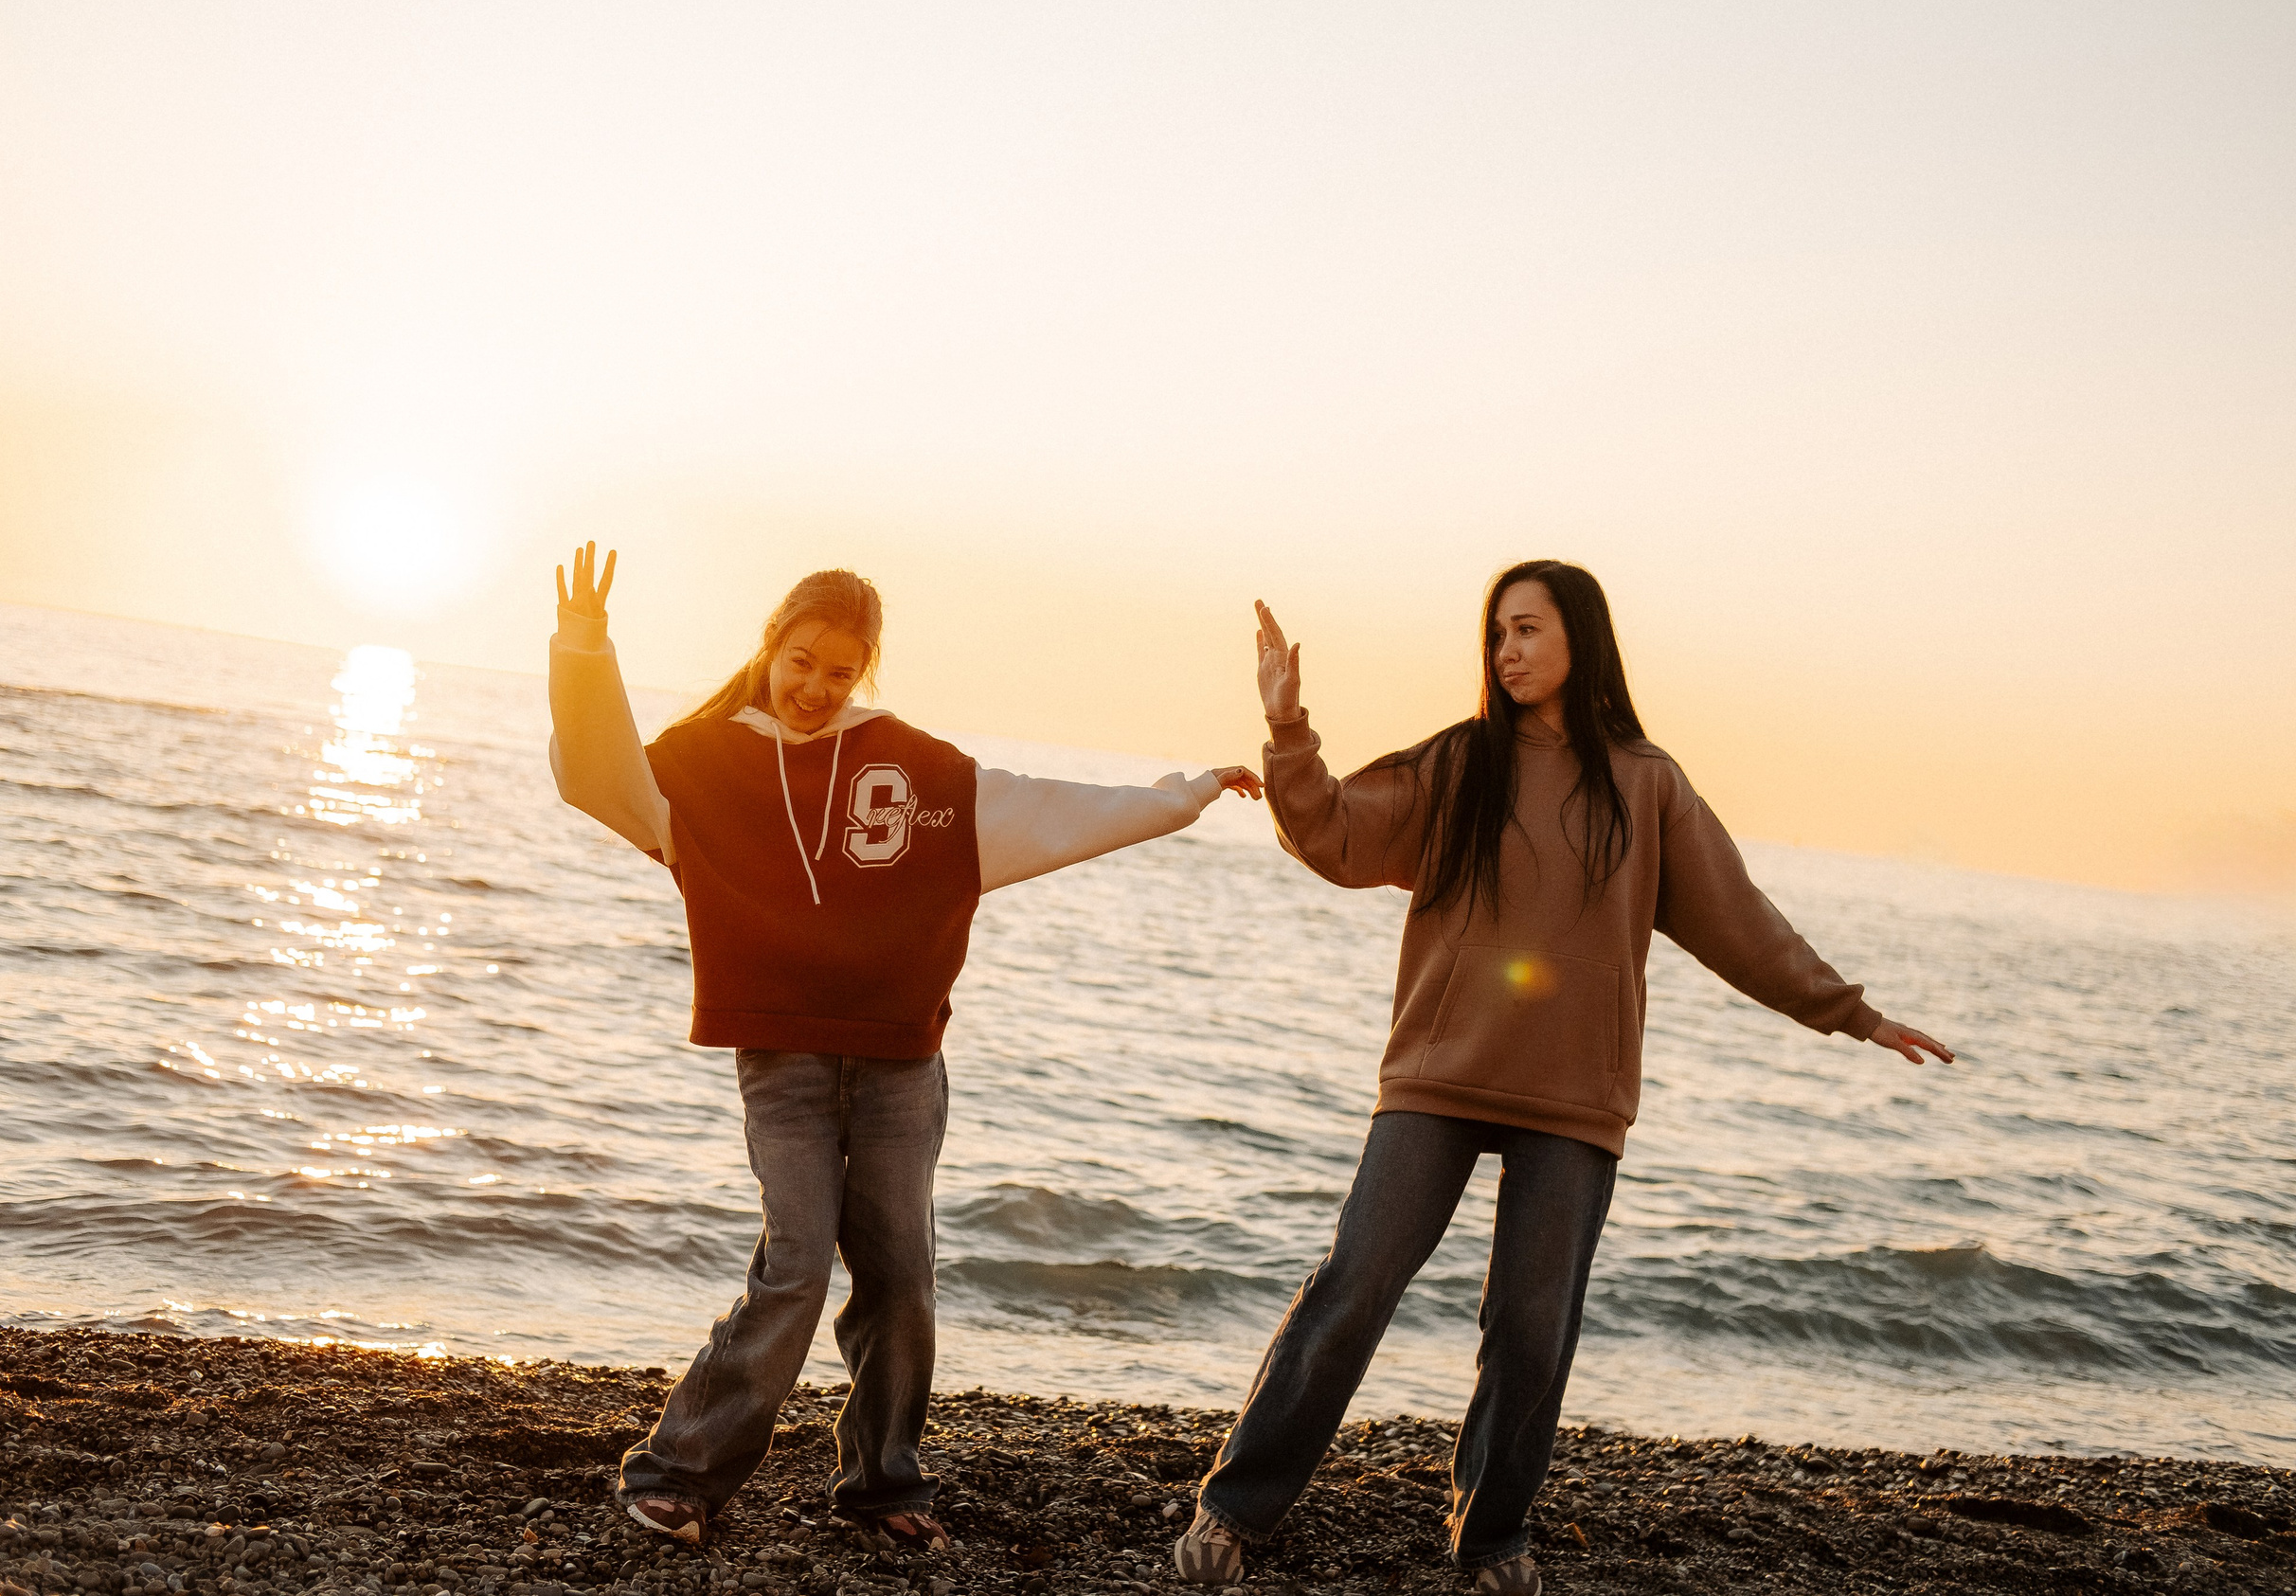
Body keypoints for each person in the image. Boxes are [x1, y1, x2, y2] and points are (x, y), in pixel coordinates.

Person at [1173, 561, 1955, 1595]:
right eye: (1496, 634)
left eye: (1528, 631)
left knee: (1533, 1329)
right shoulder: (1461, 762)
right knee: (1351, 1288)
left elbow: (1736, 917)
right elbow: (1337, 833)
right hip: (1437, 1078)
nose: (1507, 652)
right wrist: (1287, 729)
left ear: (1580, 638)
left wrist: (1849, 1012)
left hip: (1575, 1101)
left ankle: (1491, 1537)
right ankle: (1232, 1508)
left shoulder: (1647, 782)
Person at [547, 544, 1262, 1550]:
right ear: (772, 647)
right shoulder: (703, 761)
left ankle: (883, 1487)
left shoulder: (915, 766)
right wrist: (583, 648)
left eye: (840, 670)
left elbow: (1050, 809)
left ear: (865, 668)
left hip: (898, 1066)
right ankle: (680, 1472)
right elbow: (597, 775)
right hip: (783, 1063)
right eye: (801, 661)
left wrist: (1182, 792)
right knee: (795, 1264)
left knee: (899, 1274)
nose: (815, 686)